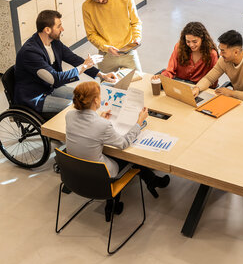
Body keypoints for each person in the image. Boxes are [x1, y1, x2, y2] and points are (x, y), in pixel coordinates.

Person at [66, 81, 170, 221]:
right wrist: (139, 122)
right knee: (130, 156)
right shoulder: (102, 125)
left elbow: (86, 130)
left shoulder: (69, 116)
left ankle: (152, 180)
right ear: (96, 100)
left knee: (106, 150)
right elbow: (123, 143)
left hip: (75, 171)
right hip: (100, 174)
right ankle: (146, 184)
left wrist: (99, 118)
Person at [14, 10, 116, 113]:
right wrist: (83, 67)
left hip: (50, 88)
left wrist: (102, 75)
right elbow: (56, 79)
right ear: (47, 30)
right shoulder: (30, 52)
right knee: (80, 108)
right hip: (36, 97)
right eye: (59, 26)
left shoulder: (54, 42)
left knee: (86, 98)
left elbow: (75, 59)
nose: (62, 29)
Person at [75, 0, 142, 73]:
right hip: (106, 56)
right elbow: (91, 34)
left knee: (138, 84)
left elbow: (135, 22)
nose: (100, 1)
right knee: (108, 88)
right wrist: (107, 47)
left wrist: (137, 37)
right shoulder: (87, 7)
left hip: (128, 52)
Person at [192, 30, 243, 103]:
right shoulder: (224, 60)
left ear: (236, 52)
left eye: (223, 51)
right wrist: (197, 88)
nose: (220, 54)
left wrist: (231, 93)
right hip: (239, 100)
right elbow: (209, 79)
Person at [152, 22, 219, 87]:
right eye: (188, 41)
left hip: (198, 89)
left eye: (195, 41)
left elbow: (212, 82)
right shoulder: (179, 47)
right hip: (179, 85)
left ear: (203, 39)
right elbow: (170, 70)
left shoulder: (212, 54)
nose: (191, 45)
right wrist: (162, 77)